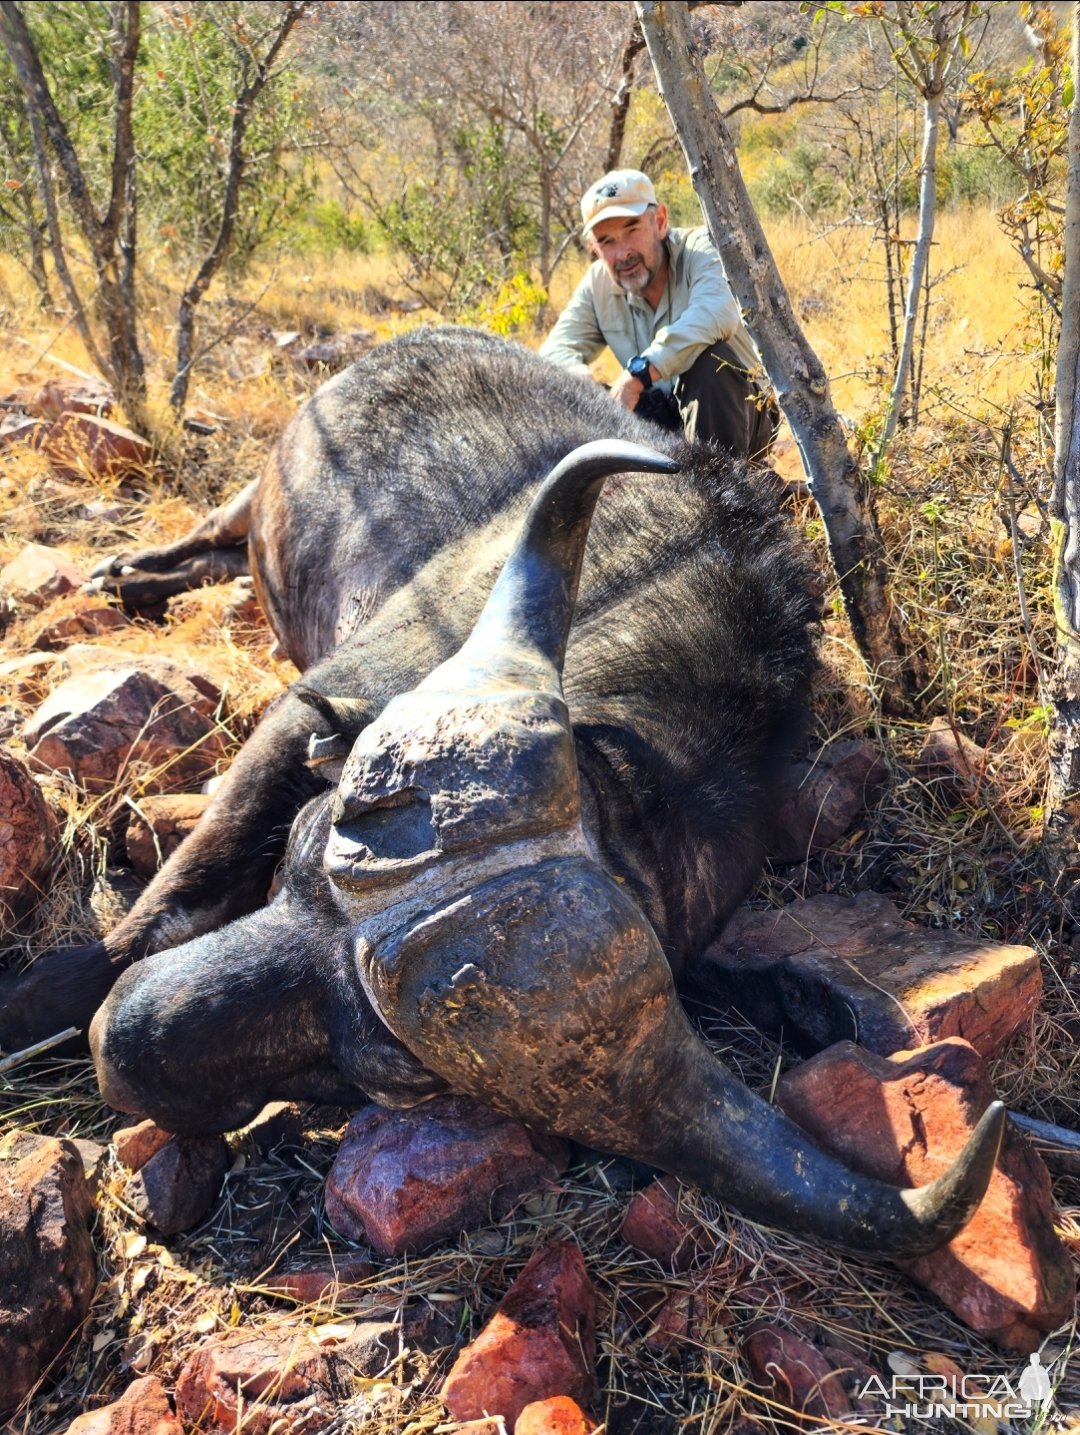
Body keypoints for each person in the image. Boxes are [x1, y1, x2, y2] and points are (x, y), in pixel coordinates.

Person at [540, 168, 778, 459]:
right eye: (607, 241)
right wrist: (582, 383)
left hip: (742, 411)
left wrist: (638, 374)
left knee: (710, 363)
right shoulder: (597, 284)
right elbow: (554, 352)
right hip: (662, 419)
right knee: (579, 397)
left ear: (660, 222)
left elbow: (717, 314)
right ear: (594, 248)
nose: (623, 253)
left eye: (632, 230)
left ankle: (725, 491)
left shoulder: (702, 249)